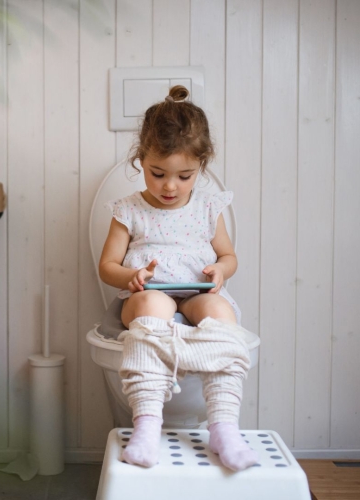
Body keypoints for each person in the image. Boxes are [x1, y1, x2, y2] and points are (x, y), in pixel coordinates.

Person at [98, 85, 258, 471]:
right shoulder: (129, 210)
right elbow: (107, 266)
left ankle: (223, 427)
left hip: (196, 293)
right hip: (149, 293)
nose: (170, 186)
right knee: (154, 306)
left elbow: (228, 256)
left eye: (184, 176)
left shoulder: (207, 207)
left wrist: (220, 270)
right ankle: (147, 425)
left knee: (220, 312)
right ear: (141, 160)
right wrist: (133, 275)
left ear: (201, 166)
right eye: (158, 174)